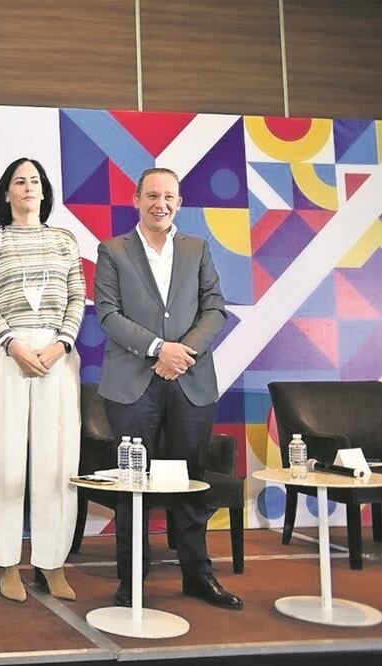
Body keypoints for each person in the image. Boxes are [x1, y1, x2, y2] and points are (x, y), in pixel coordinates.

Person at [94, 167, 242, 610]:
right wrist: (159, 349)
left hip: (191, 380)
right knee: (133, 484)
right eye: (152, 195)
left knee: (192, 482)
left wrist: (182, 353)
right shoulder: (112, 250)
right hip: (132, 385)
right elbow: (107, 313)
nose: (161, 204)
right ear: (136, 199)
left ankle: (198, 575)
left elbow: (215, 308)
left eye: (170, 197)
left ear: (179, 202)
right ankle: (132, 582)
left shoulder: (198, 248)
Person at [0, 157, 84, 603]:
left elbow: (78, 297)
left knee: (57, 462)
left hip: (56, 354)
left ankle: (52, 563)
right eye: (20, 181)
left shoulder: (64, 240)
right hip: (5, 354)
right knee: (2, 458)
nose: (29, 187)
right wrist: (13, 345)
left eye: (35, 181)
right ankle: (5, 562)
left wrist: (59, 346)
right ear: (6, 193)